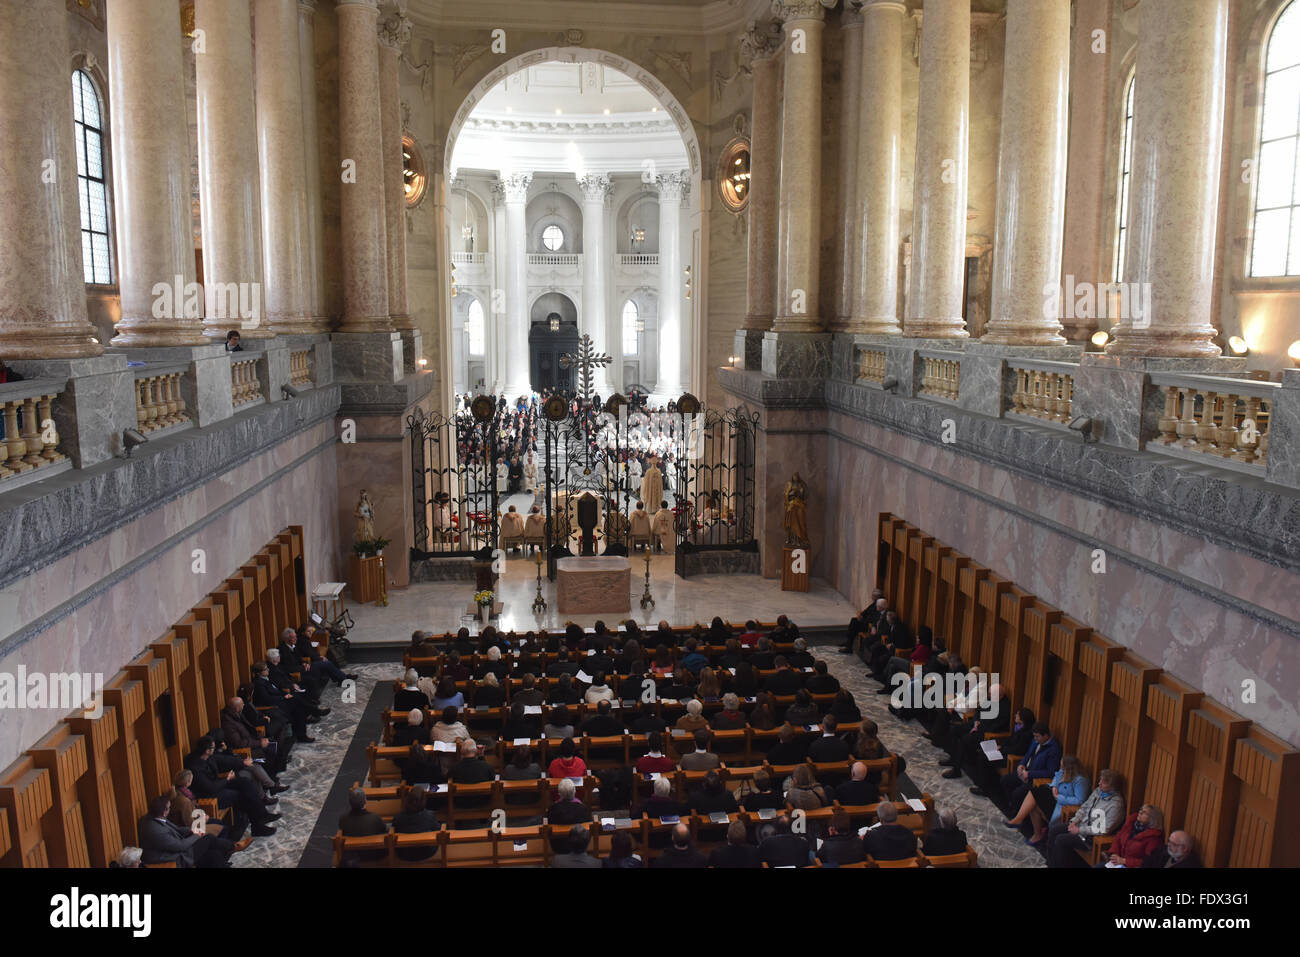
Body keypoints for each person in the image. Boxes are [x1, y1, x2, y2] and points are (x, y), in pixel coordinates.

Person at [1046, 769, 1125, 868]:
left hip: (1090, 836)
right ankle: (1050, 864)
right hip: (1081, 825)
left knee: (1061, 840)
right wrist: (1075, 820)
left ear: (1113, 787)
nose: (1099, 783)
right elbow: (1085, 807)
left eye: (1103, 782)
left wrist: (1079, 830)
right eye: (1100, 780)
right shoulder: (1098, 791)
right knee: (1054, 829)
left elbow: (1104, 828)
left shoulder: (1116, 805)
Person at [139, 795, 238, 867]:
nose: (170, 809)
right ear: (164, 812)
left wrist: (191, 831)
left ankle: (226, 860)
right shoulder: (156, 831)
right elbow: (180, 846)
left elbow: (177, 829)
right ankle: (233, 846)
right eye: (169, 808)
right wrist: (197, 836)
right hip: (172, 858)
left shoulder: (154, 817)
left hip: (175, 848)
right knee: (208, 838)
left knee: (213, 855)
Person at [991, 720, 1061, 804]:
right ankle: (1009, 805)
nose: (1035, 739)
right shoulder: (1036, 742)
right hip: (1025, 771)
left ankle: (1016, 810)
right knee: (1005, 780)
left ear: (1046, 736)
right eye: (1034, 736)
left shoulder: (1053, 749)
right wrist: (1021, 764)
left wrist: (1030, 774)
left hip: (1034, 778)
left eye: (1037, 736)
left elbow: (1050, 772)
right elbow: (1028, 754)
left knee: (1017, 793)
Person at [1100, 804, 1164, 869]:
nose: (1140, 812)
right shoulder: (1131, 823)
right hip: (1118, 863)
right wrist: (1115, 853)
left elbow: (1149, 861)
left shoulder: (1154, 838)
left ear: (1152, 818)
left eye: (1144, 812)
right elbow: (1118, 838)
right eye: (1141, 810)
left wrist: (1125, 861)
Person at [338, 789, 388, 863]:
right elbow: (384, 832)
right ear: (365, 801)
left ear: (350, 803)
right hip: (374, 855)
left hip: (352, 856)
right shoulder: (375, 818)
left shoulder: (343, 819)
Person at [392, 787, 440, 862]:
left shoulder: (398, 818)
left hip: (404, 853)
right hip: (427, 852)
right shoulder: (430, 815)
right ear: (424, 801)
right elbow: (437, 831)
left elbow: (395, 832)